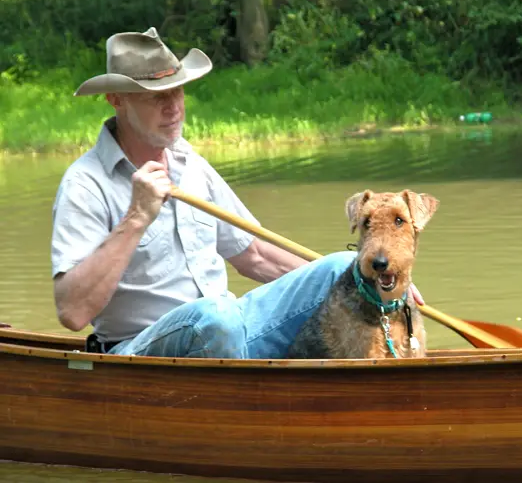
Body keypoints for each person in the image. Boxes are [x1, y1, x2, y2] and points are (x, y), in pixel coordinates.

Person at [50, 27, 423, 359]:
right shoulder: (85, 183)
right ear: (116, 99)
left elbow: (255, 254)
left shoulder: (190, 163)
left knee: (336, 268)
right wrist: (136, 219)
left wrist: (369, 279)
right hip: (142, 350)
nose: (174, 106)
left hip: (231, 328)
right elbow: (73, 312)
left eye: (178, 90)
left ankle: (374, 371)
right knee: (214, 317)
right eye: (156, 96)